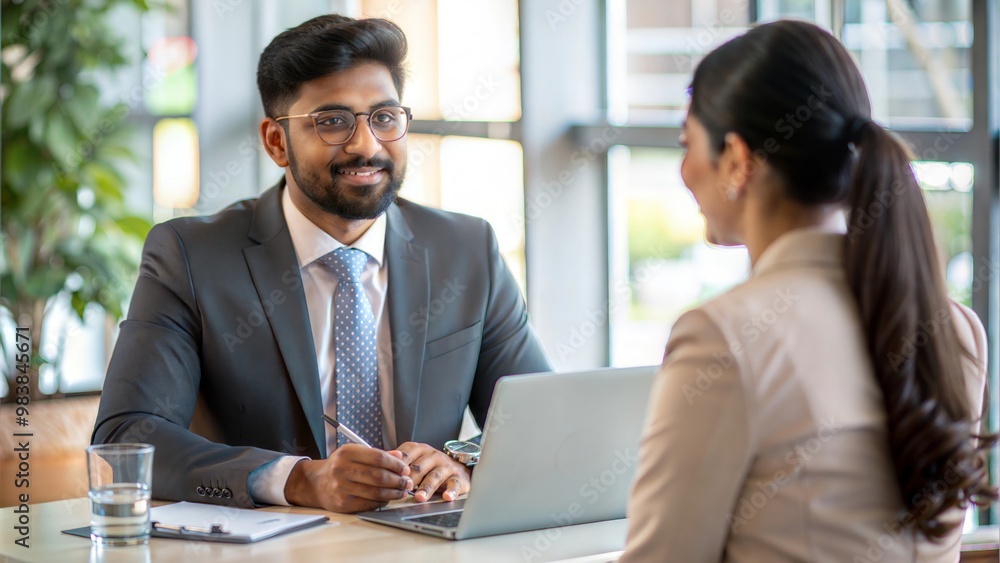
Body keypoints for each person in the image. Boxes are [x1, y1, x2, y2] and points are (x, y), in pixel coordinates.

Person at [92, 14, 550, 514]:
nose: (367, 145)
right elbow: (128, 436)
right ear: (276, 142)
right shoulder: (190, 255)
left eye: (384, 117)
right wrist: (297, 480)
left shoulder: (466, 249)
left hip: (426, 537)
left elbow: (541, 417)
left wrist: (463, 463)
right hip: (270, 544)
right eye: (332, 121)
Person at [620, 20, 996, 562]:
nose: (683, 170)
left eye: (688, 145)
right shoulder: (956, 330)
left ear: (737, 160)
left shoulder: (725, 338)